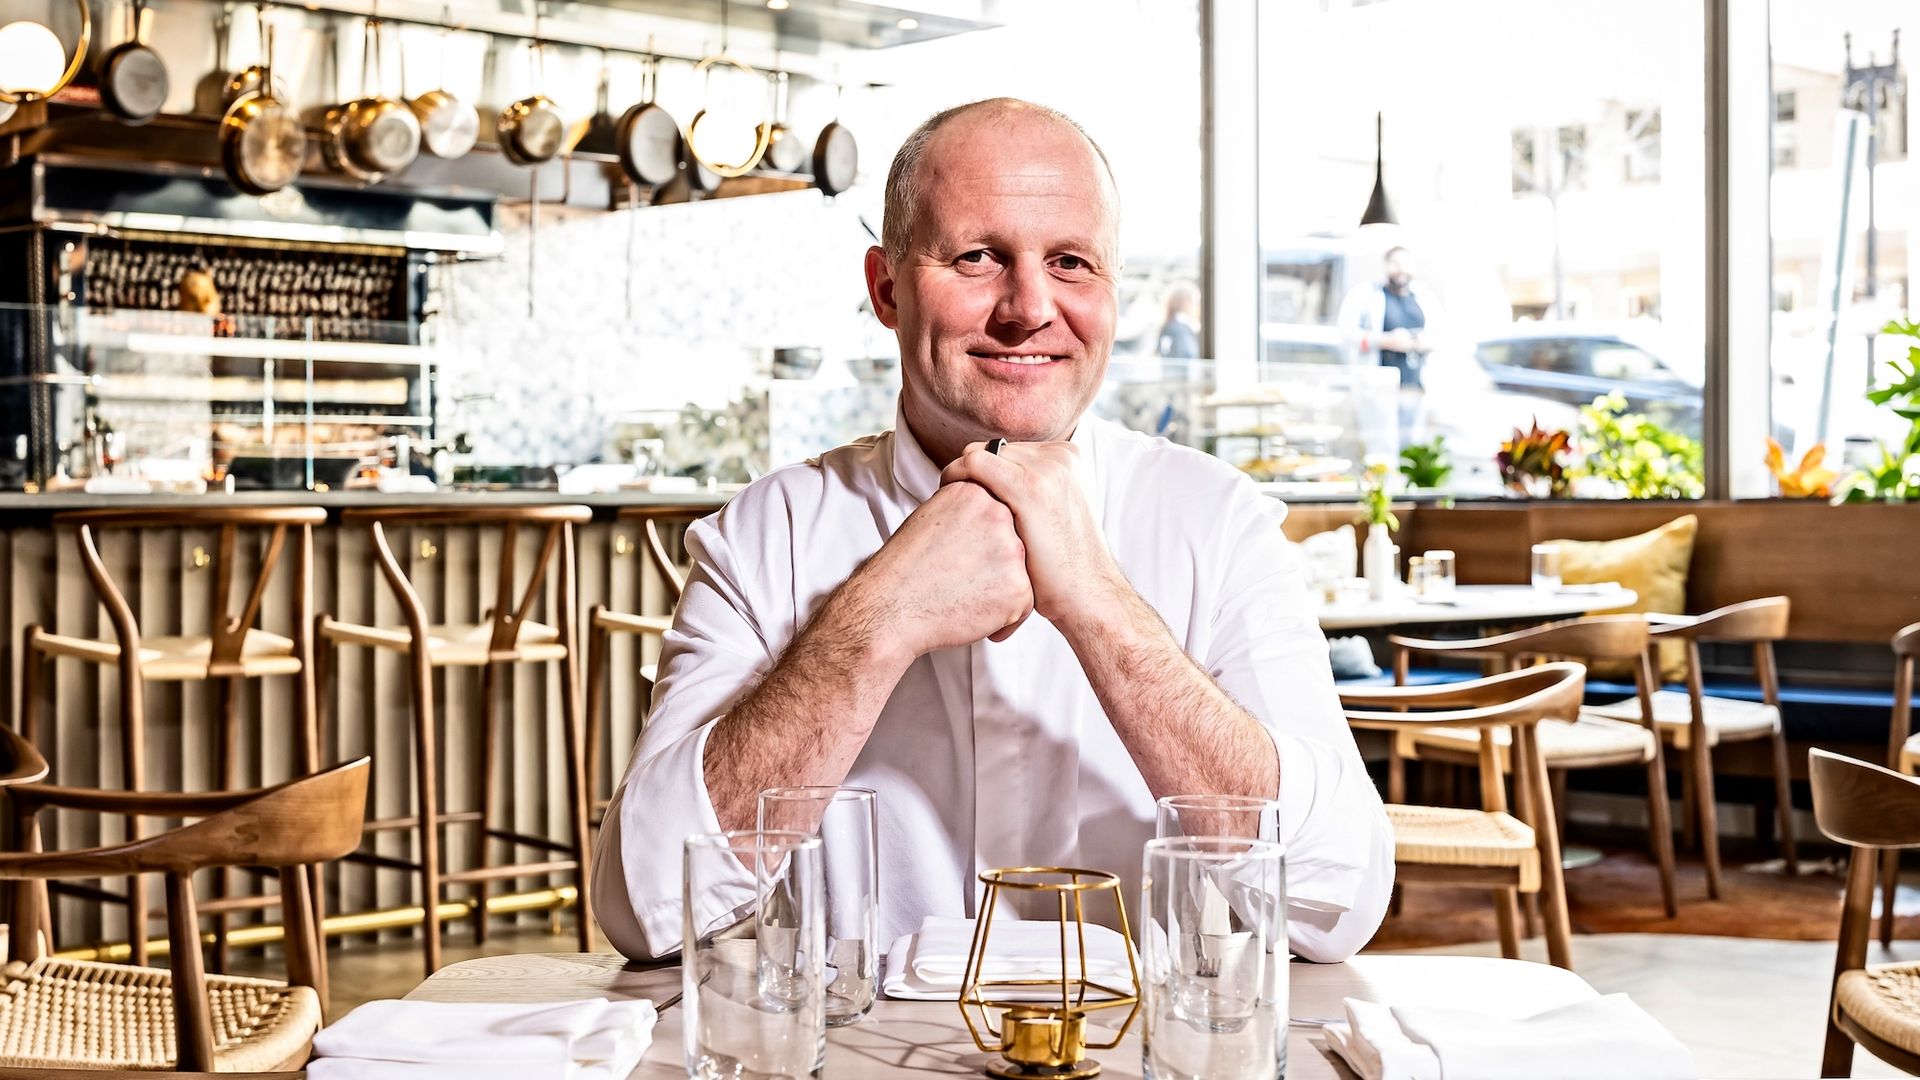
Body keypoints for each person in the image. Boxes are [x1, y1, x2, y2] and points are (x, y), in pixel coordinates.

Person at [592, 98, 1393, 965]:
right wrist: (876, 617)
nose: (1030, 307)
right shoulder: (766, 535)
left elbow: (1338, 905)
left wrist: (1100, 606)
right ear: (886, 289)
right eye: (977, 257)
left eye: (1071, 262)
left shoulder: (1216, 520)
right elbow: (643, 906)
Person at [1338, 246, 1442, 441]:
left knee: (1411, 443)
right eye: (1395, 263)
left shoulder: (1423, 298)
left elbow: (1440, 335)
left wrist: (1419, 342)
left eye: (1405, 263)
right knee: (1380, 442)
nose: (1401, 269)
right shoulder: (1368, 295)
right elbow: (1347, 333)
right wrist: (1386, 340)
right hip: (1379, 386)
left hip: (1414, 385)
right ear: (1386, 267)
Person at [1156, 280, 1201, 359]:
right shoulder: (1180, 330)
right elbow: (1188, 355)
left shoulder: (1169, 327)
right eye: (1196, 302)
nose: (1198, 306)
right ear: (1185, 303)